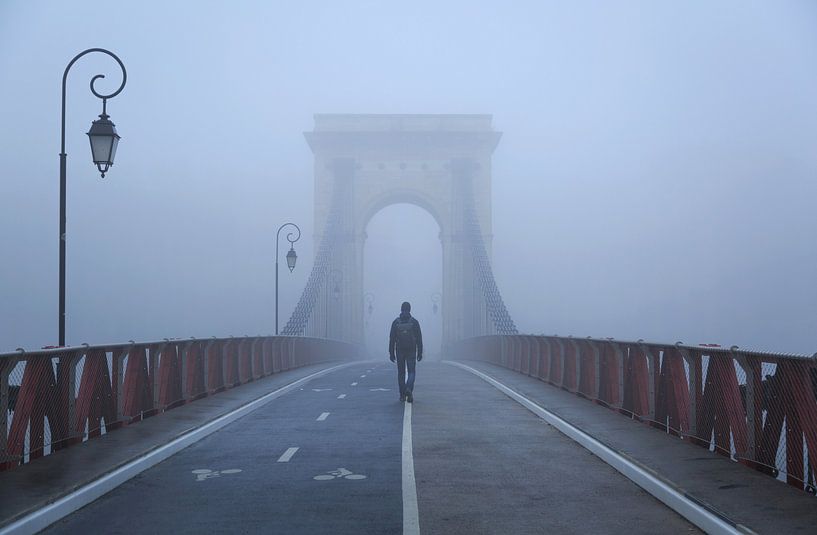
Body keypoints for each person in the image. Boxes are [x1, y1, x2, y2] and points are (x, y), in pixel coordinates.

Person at [389, 301, 423, 402]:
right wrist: (420, 351)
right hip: (411, 350)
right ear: (410, 309)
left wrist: (391, 353)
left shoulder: (396, 322)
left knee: (401, 373)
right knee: (412, 371)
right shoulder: (414, 322)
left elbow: (392, 338)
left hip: (399, 350)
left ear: (401, 309)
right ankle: (409, 389)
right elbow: (419, 338)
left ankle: (402, 395)